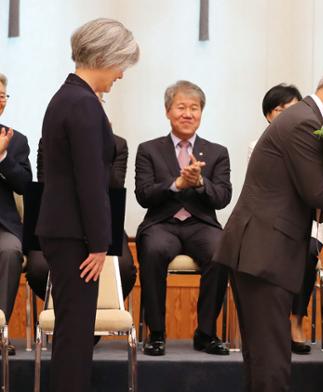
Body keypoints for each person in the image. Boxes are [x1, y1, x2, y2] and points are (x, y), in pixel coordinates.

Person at [213, 61, 323, 392]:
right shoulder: (304, 122)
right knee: (271, 359)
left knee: (262, 357)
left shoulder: (304, 119)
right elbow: (316, 191)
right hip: (264, 252)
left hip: (262, 250)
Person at [35, 18, 139, 392]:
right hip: (74, 235)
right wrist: (100, 243)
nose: (121, 75)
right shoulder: (81, 103)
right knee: (75, 336)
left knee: (73, 333)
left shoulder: (70, 97)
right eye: (121, 64)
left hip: (64, 229)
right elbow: (90, 181)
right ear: (104, 55)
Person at [135, 80, 232, 356]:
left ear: (201, 113)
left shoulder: (217, 152)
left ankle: (205, 333)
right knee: (152, 251)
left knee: (220, 250)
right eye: (181, 107)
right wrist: (177, 183)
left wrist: (200, 182)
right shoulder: (149, 150)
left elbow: (223, 197)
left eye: (194, 108)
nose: (188, 114)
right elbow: (144, 195)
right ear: (168, 111)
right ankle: (156, 332)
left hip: (200, 224)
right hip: (161, 224)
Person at [250, 83, 320, 354]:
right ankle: (270, 325)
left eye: (294, 109)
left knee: (309, 250)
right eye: (281, 110)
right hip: (268, 226)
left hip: (303, 226)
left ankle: (296, 321)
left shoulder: (313, 145)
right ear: (269, 114)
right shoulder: (258, 146)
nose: (289, 115)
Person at [26, 134, 137, 302]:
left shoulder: (117, 144)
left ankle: (91, 316)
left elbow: (115, 187)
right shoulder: (50, 140)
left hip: (102, 222)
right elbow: (45, 183)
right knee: (39, 269)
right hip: (58, 221)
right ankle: (66, 312)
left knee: (124, 270)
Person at [0, 72, 32, 356]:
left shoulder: (16, 140)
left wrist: (2, 157)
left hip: (3, 226)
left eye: (1, 96)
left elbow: (24, 185)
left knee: (11, 252)